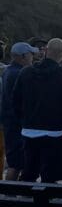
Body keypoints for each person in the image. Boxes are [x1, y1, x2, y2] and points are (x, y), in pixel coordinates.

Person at [13, 38, 62, 183]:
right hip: (56, 132)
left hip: (29, 130)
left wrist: (23, 121)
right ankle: (45, 203)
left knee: (29, 171)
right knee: (51, 175)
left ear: (46, 51)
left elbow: (16, 101)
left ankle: (24, 201)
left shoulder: (26, 73)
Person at [1, 42, 37, 180]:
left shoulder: (8, 71)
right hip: (16, 124)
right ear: (23, 56)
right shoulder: (19, 73)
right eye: (30, 54)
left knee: (15, 162)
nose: (32, 57)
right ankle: (10, 195)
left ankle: (11, 194)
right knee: (16, 164)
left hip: (9, 122)